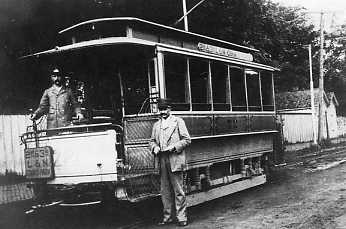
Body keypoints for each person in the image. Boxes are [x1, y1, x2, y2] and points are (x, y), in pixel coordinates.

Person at [149, 98, 191, 227]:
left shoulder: (178, 122)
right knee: (165, 191)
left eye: (164, 109)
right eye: (160, 109)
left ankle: (181, 218)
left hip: (174, 159)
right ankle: (167, 217)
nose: (162, 112)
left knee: (178, 191)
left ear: (169, 109)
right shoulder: (156, 125)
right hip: (162, 160)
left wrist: (174, 147)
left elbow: (187, 140)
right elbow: (151, 141)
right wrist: (154, 147)